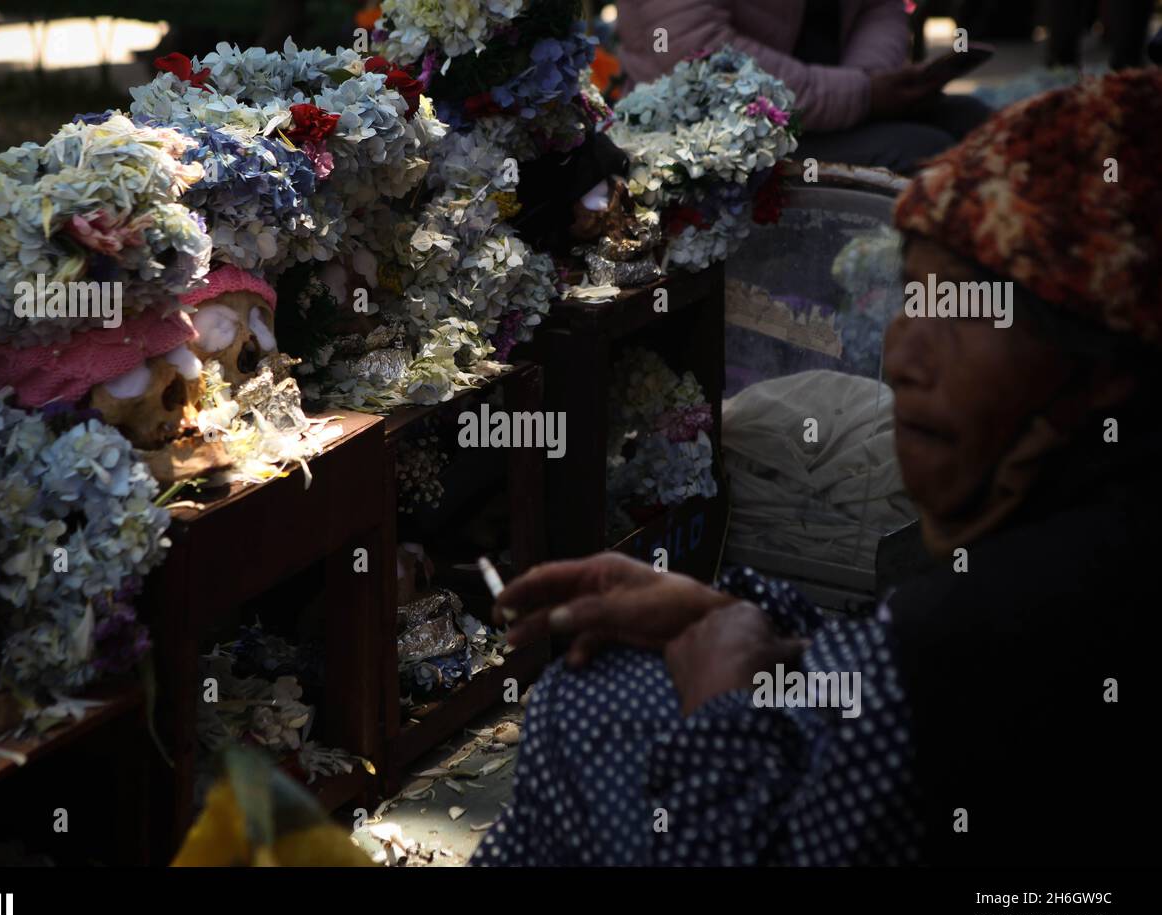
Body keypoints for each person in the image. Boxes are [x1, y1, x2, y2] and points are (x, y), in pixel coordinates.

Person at [471, 70, 1161, 867]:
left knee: (586, 704)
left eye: (967, 314)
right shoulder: (1066, 533)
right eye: (912, 296)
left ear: (1098, 373)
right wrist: (734, 618)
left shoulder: (981, 636)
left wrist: (725, 707)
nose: (903, 358)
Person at [616, 0, 992, 173]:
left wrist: (870, 78)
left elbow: (879, 9)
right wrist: (860, 94)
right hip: (722, 130)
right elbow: (698, 51)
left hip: (834, 97)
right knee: (929, 154)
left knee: (980, 126)